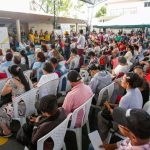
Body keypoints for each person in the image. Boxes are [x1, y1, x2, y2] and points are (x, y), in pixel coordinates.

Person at [98, 73, 143, 141]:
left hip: (127, 128)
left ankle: (102, 139)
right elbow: (124, 107)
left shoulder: (125, 98)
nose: (121, 80)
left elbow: (117, 116)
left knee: (100, 115)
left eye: (123, 79)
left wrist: (108, 106)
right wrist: (111, 104)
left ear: (127, 84)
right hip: (135, 121)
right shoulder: (137, 90)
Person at [0, 65, 30, 137]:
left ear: (11, 73)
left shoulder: (11, 81)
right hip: (28, 104)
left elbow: (2, 93)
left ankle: (6, 131)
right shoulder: (25, 77)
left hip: (18, 108)